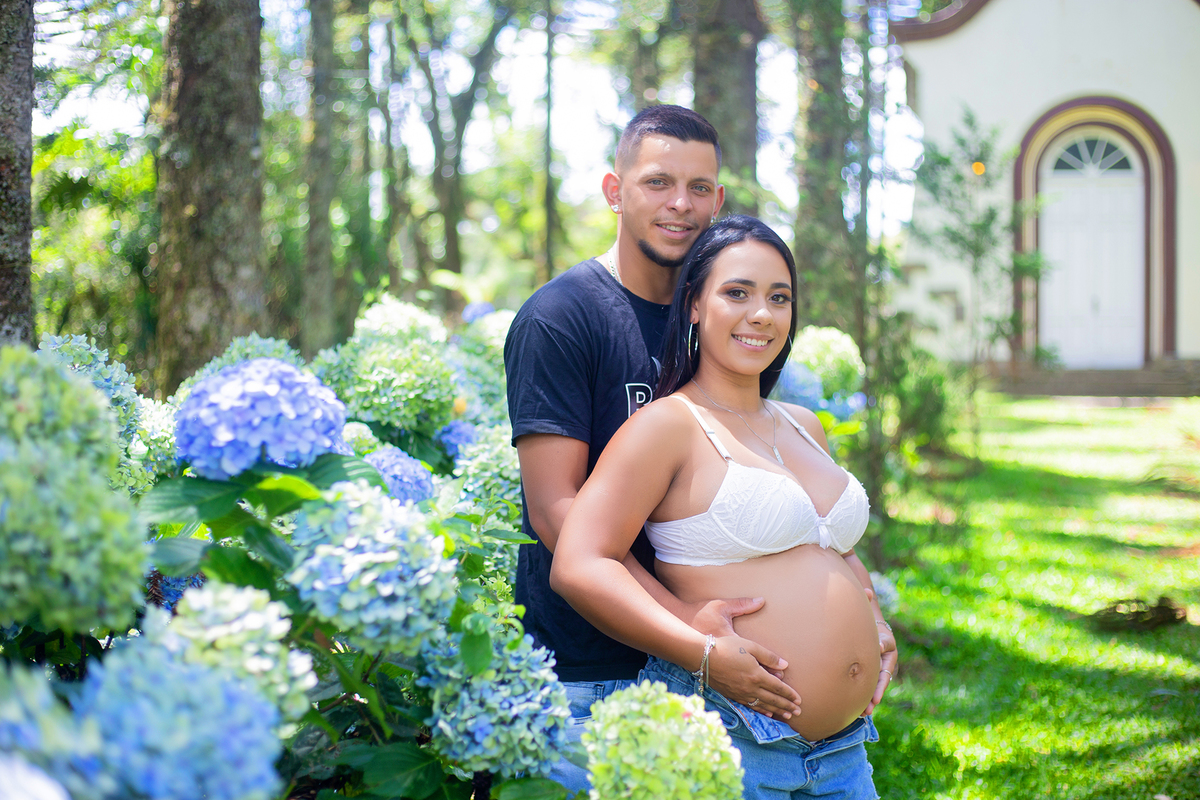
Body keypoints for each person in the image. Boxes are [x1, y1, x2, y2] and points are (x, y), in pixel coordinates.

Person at [551, 215, 899, 799]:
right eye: (737, 292)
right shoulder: (667, 426)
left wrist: (876, 626)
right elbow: (580, 563)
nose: (761, 314)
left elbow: (830, 547)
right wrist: (703, 652)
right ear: (693, 304)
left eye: (778, 297)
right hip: (731, 736)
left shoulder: (804, 425)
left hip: (845, 750)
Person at [504, 108, 801, 791]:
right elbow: (558, 514)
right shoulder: (562, 317)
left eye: (700, 188)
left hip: (707, 680)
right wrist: (691, 633)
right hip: (594, 675)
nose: (681, 205)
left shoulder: (716, 314)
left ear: (719, 200)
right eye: (659, 182)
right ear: (615, 191)